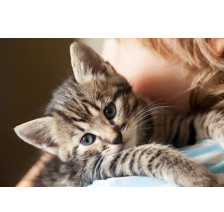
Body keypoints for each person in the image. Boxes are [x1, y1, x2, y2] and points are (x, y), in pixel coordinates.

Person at [17, 38, 224, 187]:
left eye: (109, 111)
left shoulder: (148, 112)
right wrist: (157, 158)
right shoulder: (92, 171)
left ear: (104, 71)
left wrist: (215, 124)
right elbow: (97, 167)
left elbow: (186, 127)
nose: (113, 136)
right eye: (87, 139)